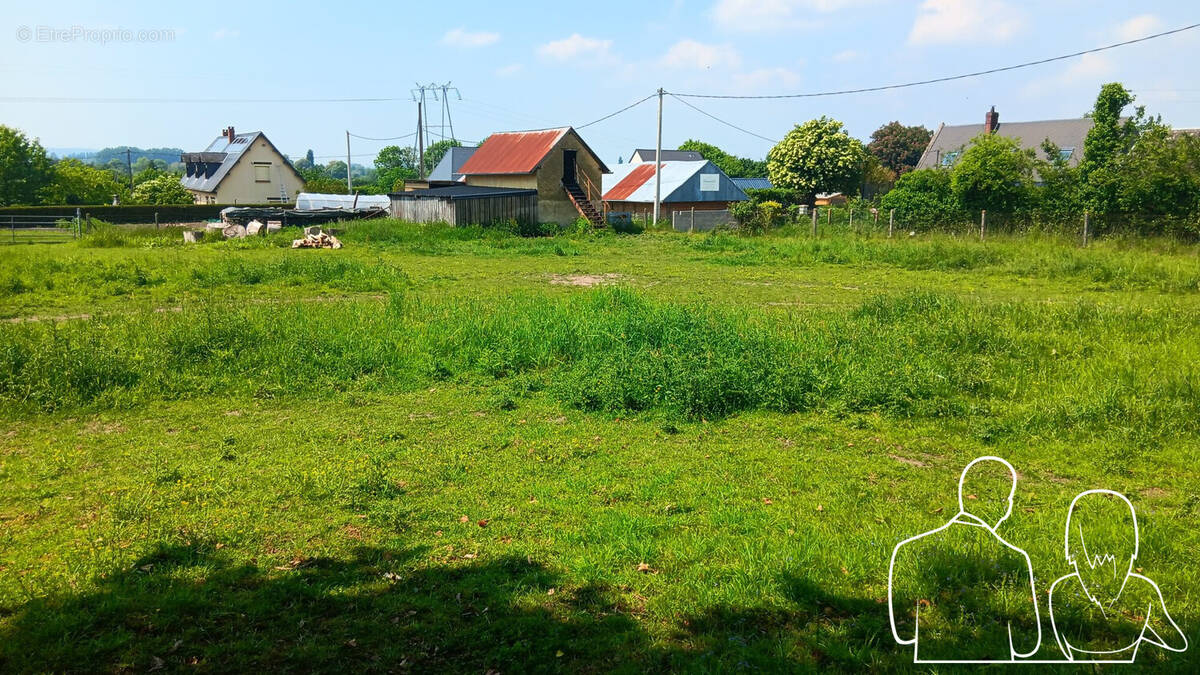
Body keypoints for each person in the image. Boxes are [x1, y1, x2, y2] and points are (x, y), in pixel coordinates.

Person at [888, 456, 1041, 662]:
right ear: (1007, 505)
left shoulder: (909, 546)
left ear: (960, 496)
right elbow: (1028, 647)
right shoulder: (1018, 558)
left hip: (927, 658)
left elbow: (900, 634)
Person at [1048, 490, 1188, 662]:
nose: (1102, 559)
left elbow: (1178, 644)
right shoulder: (1063, 587)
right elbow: (1178, 645)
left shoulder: (1062, 587)